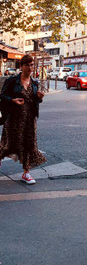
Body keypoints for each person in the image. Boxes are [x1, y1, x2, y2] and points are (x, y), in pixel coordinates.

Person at [0, 54, 46, 184]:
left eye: (32, 65)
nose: (30, 68)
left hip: (29, 120)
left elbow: (35, 101)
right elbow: (2, 96)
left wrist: (39, 97)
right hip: (13, 119)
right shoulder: (12, 81)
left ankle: (26, 173)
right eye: (27, 65)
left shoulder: (34, 83)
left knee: (29, 145)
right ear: (21, 66)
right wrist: (12, 100)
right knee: (7, 144)